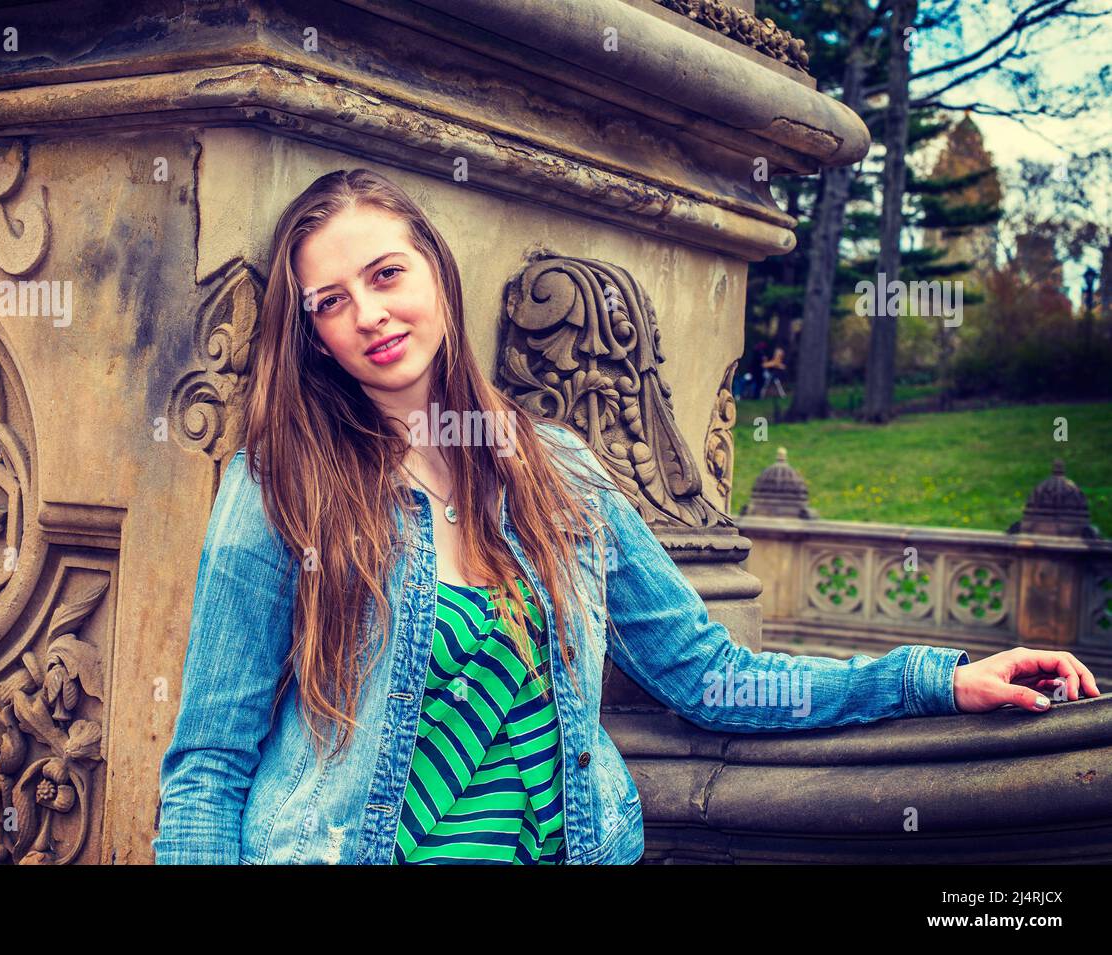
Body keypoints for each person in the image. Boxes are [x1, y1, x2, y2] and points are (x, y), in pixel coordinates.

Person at [153, 168, 1100, 866]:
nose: (368, 312)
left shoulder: (559, 475)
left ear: (436, 272)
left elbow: (712, 675)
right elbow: (208, 764)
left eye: (386, 273)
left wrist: (936, 678)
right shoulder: (281, 485)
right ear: (312, 335)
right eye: (331, 302)